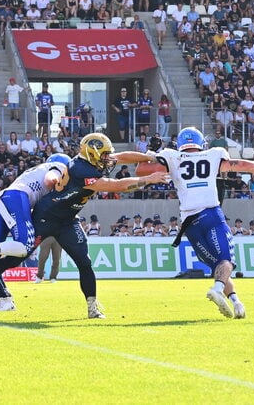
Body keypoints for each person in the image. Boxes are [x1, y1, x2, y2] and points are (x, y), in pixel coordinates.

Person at [118, 127, 254, 319]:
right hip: (211, 214)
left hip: (189, 223)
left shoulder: (172, 157)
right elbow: (243, 164)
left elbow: (141, 171)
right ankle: (217, 289)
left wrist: (151, 154)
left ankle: (235, 301)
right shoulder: (213, 154)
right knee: (227, 260)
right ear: (201, 143)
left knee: (218, 266)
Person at [31, 135, 169, 318]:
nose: (108, 158)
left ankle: (92, 307)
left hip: (67, 220)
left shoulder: (93, 161)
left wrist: (149, 157)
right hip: (47, 217)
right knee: (17, 254)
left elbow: (122, 157)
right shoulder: (82, 169)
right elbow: (116, 186)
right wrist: (149, 179)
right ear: (92, 153)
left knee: (85, 262)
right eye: (104, 154)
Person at [0, 155, 70, 312]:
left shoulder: (34, 171)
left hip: (1, 199)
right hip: (16, 198)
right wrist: (58, 187)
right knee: (25, 245)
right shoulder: (57, 168)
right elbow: (50, 180)